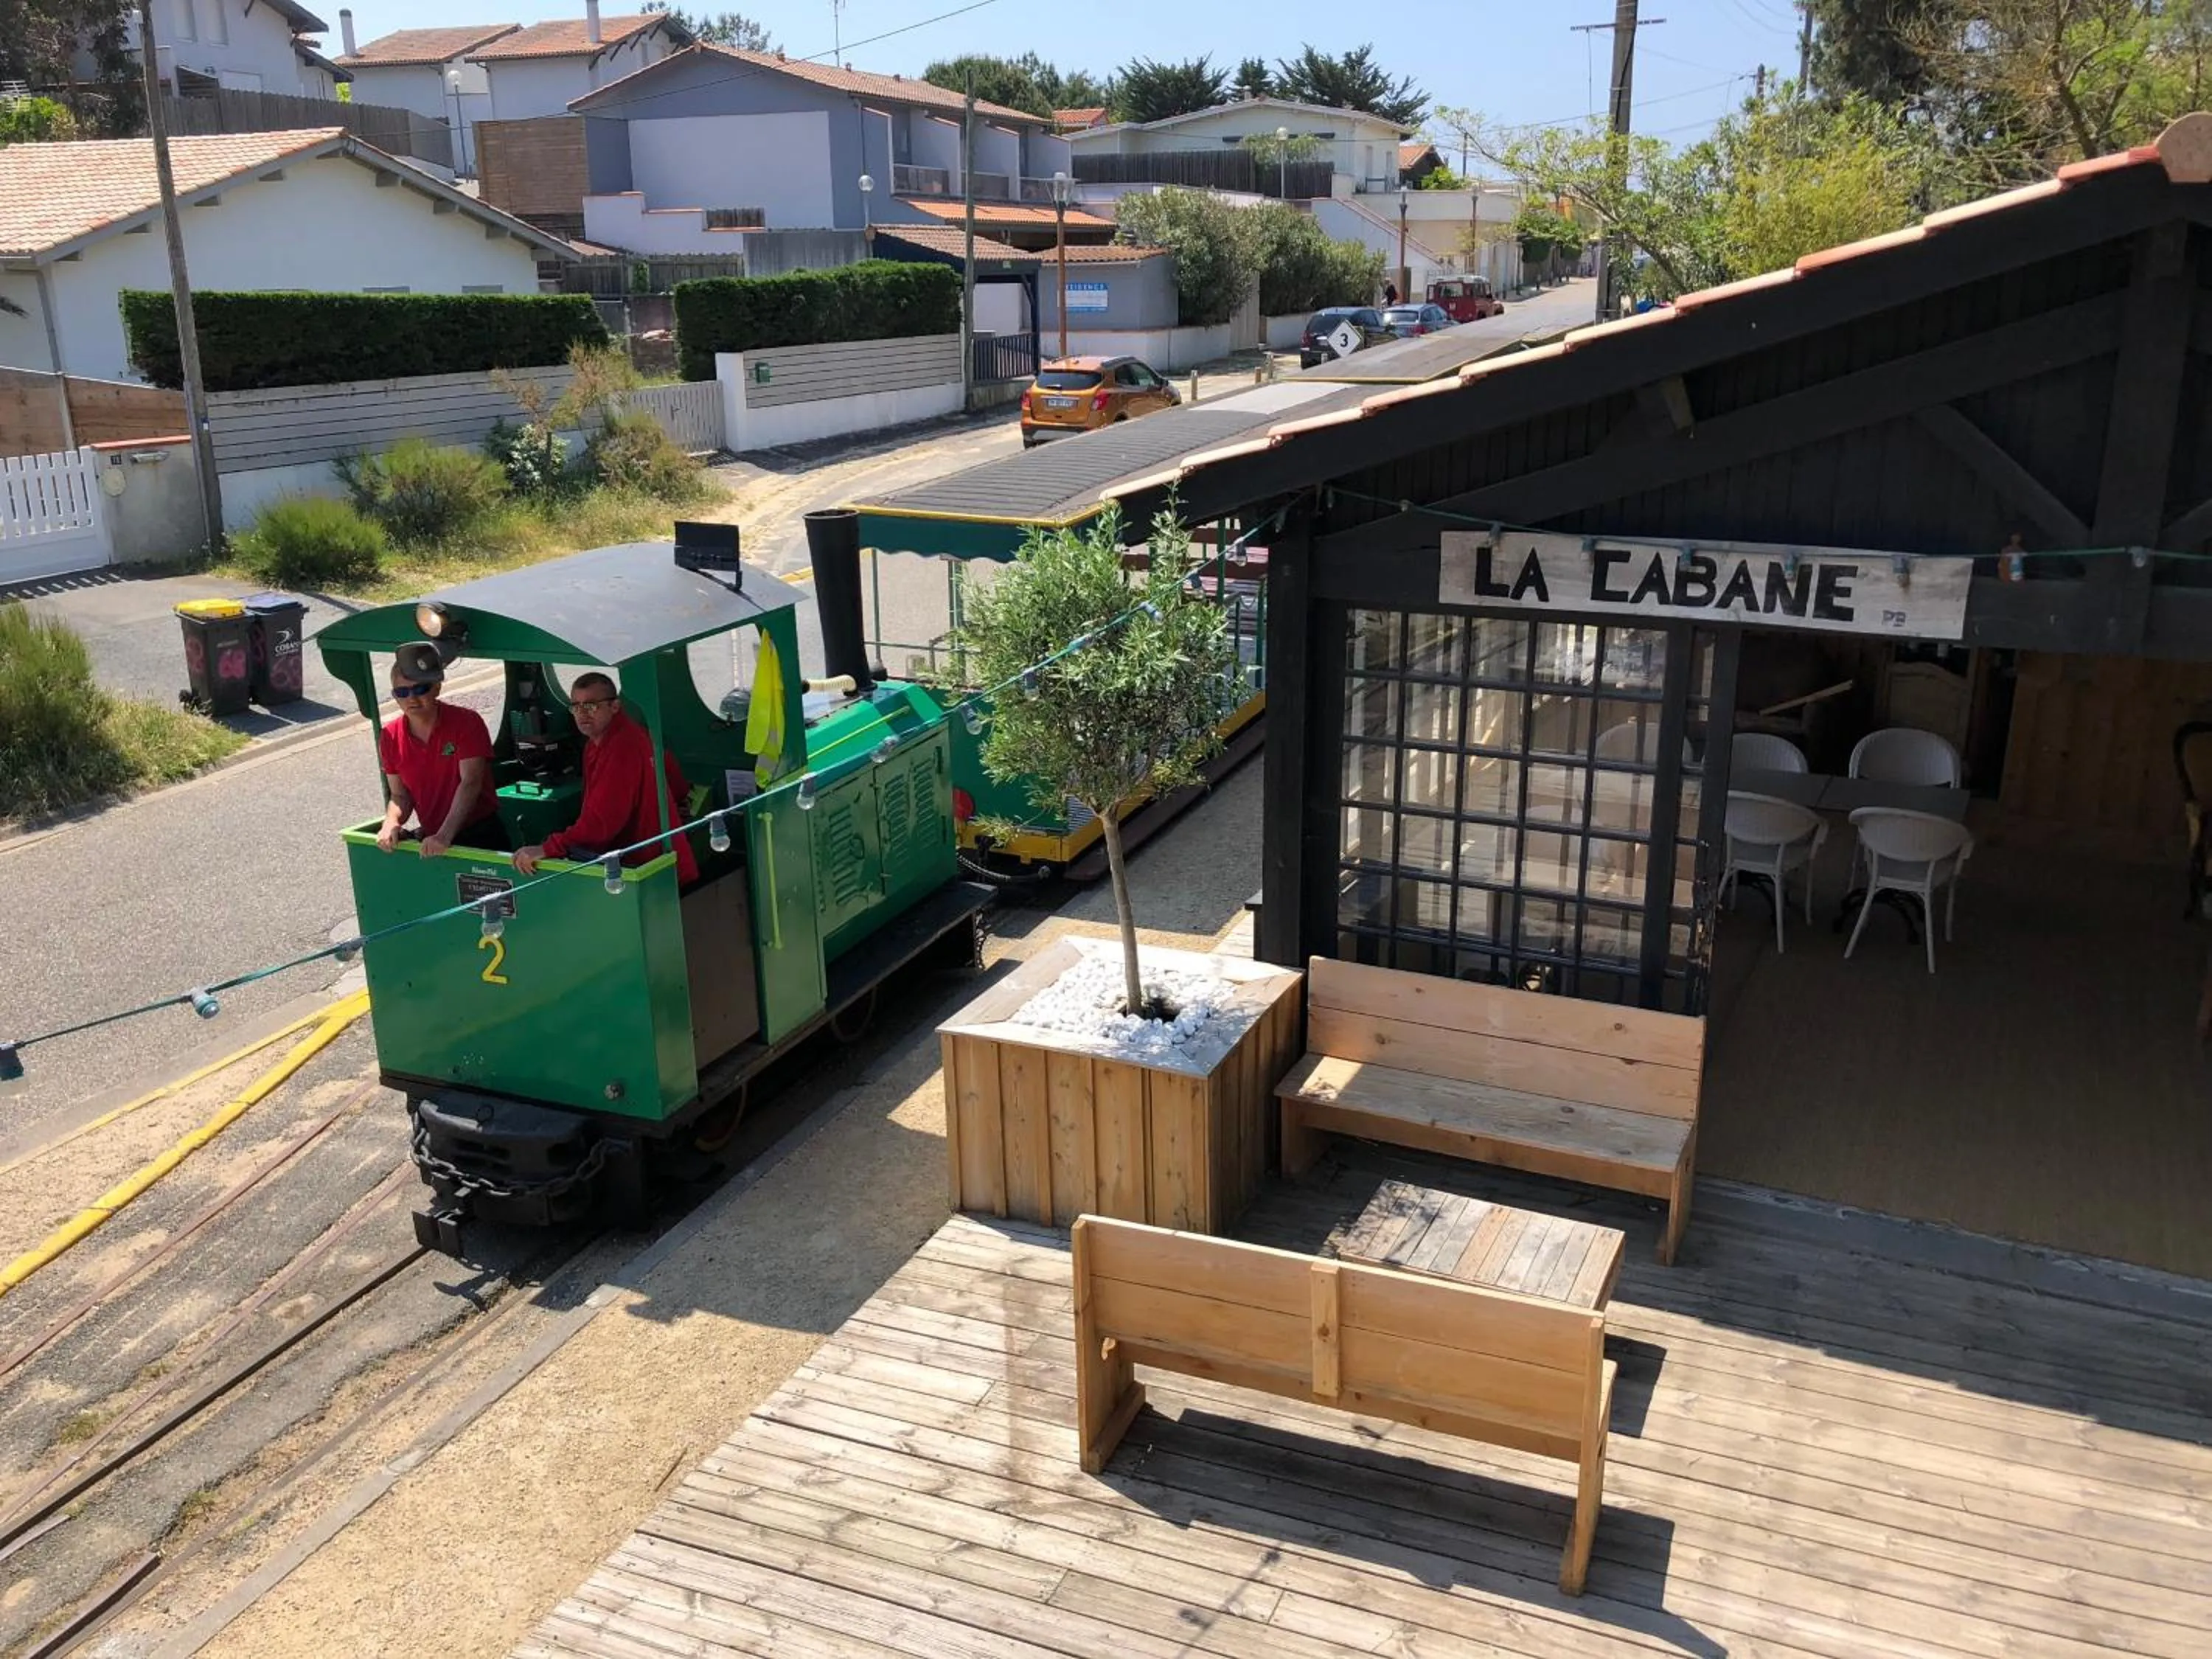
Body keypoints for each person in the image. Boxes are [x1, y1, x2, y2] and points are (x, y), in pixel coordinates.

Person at [514, 672, 698, 883]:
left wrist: (549, 848)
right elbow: (677, 783)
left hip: (650, 871)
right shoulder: (604, 741)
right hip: (648, 865)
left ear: (615, 706)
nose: (582, 714)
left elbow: (602, 822)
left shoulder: (622, 747)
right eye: (576, 706)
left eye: (591, 705)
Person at [374, 655, 501, 858]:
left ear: (437, 688)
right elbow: (400, 795)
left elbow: (471, 783)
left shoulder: (467, 722)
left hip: (479, 834)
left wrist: (445, 835)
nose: (412, 699)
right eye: (402, 692)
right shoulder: (389, 736)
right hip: (433, 839)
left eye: (420, 689)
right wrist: (391, 822)